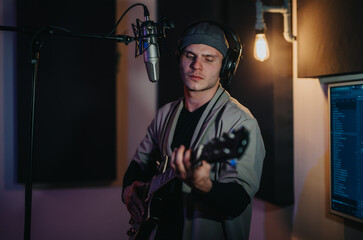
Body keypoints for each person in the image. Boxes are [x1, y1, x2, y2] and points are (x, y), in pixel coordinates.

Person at [122, 20, 265, 240]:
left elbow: (239, 200)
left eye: (209, 59)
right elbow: (139, 164)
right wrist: (129, 191)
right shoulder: (165, 113)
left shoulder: (240, 122)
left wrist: (204, 184)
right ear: (179, 59)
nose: (196, 65)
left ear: (225, 67)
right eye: (190, 55)